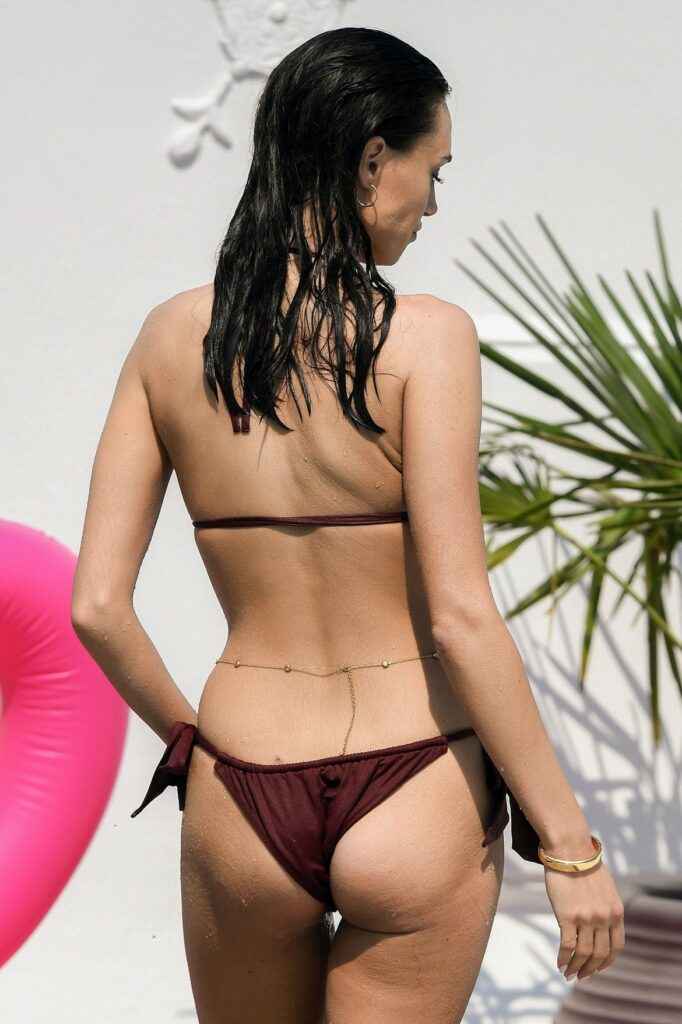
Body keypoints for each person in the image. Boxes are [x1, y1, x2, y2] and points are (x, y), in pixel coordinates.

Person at [71, 25, 624, 1024]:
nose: (432, 204)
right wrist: (570, 846)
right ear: (374, 160)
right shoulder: (427, 339)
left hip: (242, 781)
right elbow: (461, 616)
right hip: (414, 780)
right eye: (432, 171)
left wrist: (192, 743)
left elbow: (99, 607)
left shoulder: (168, 340)